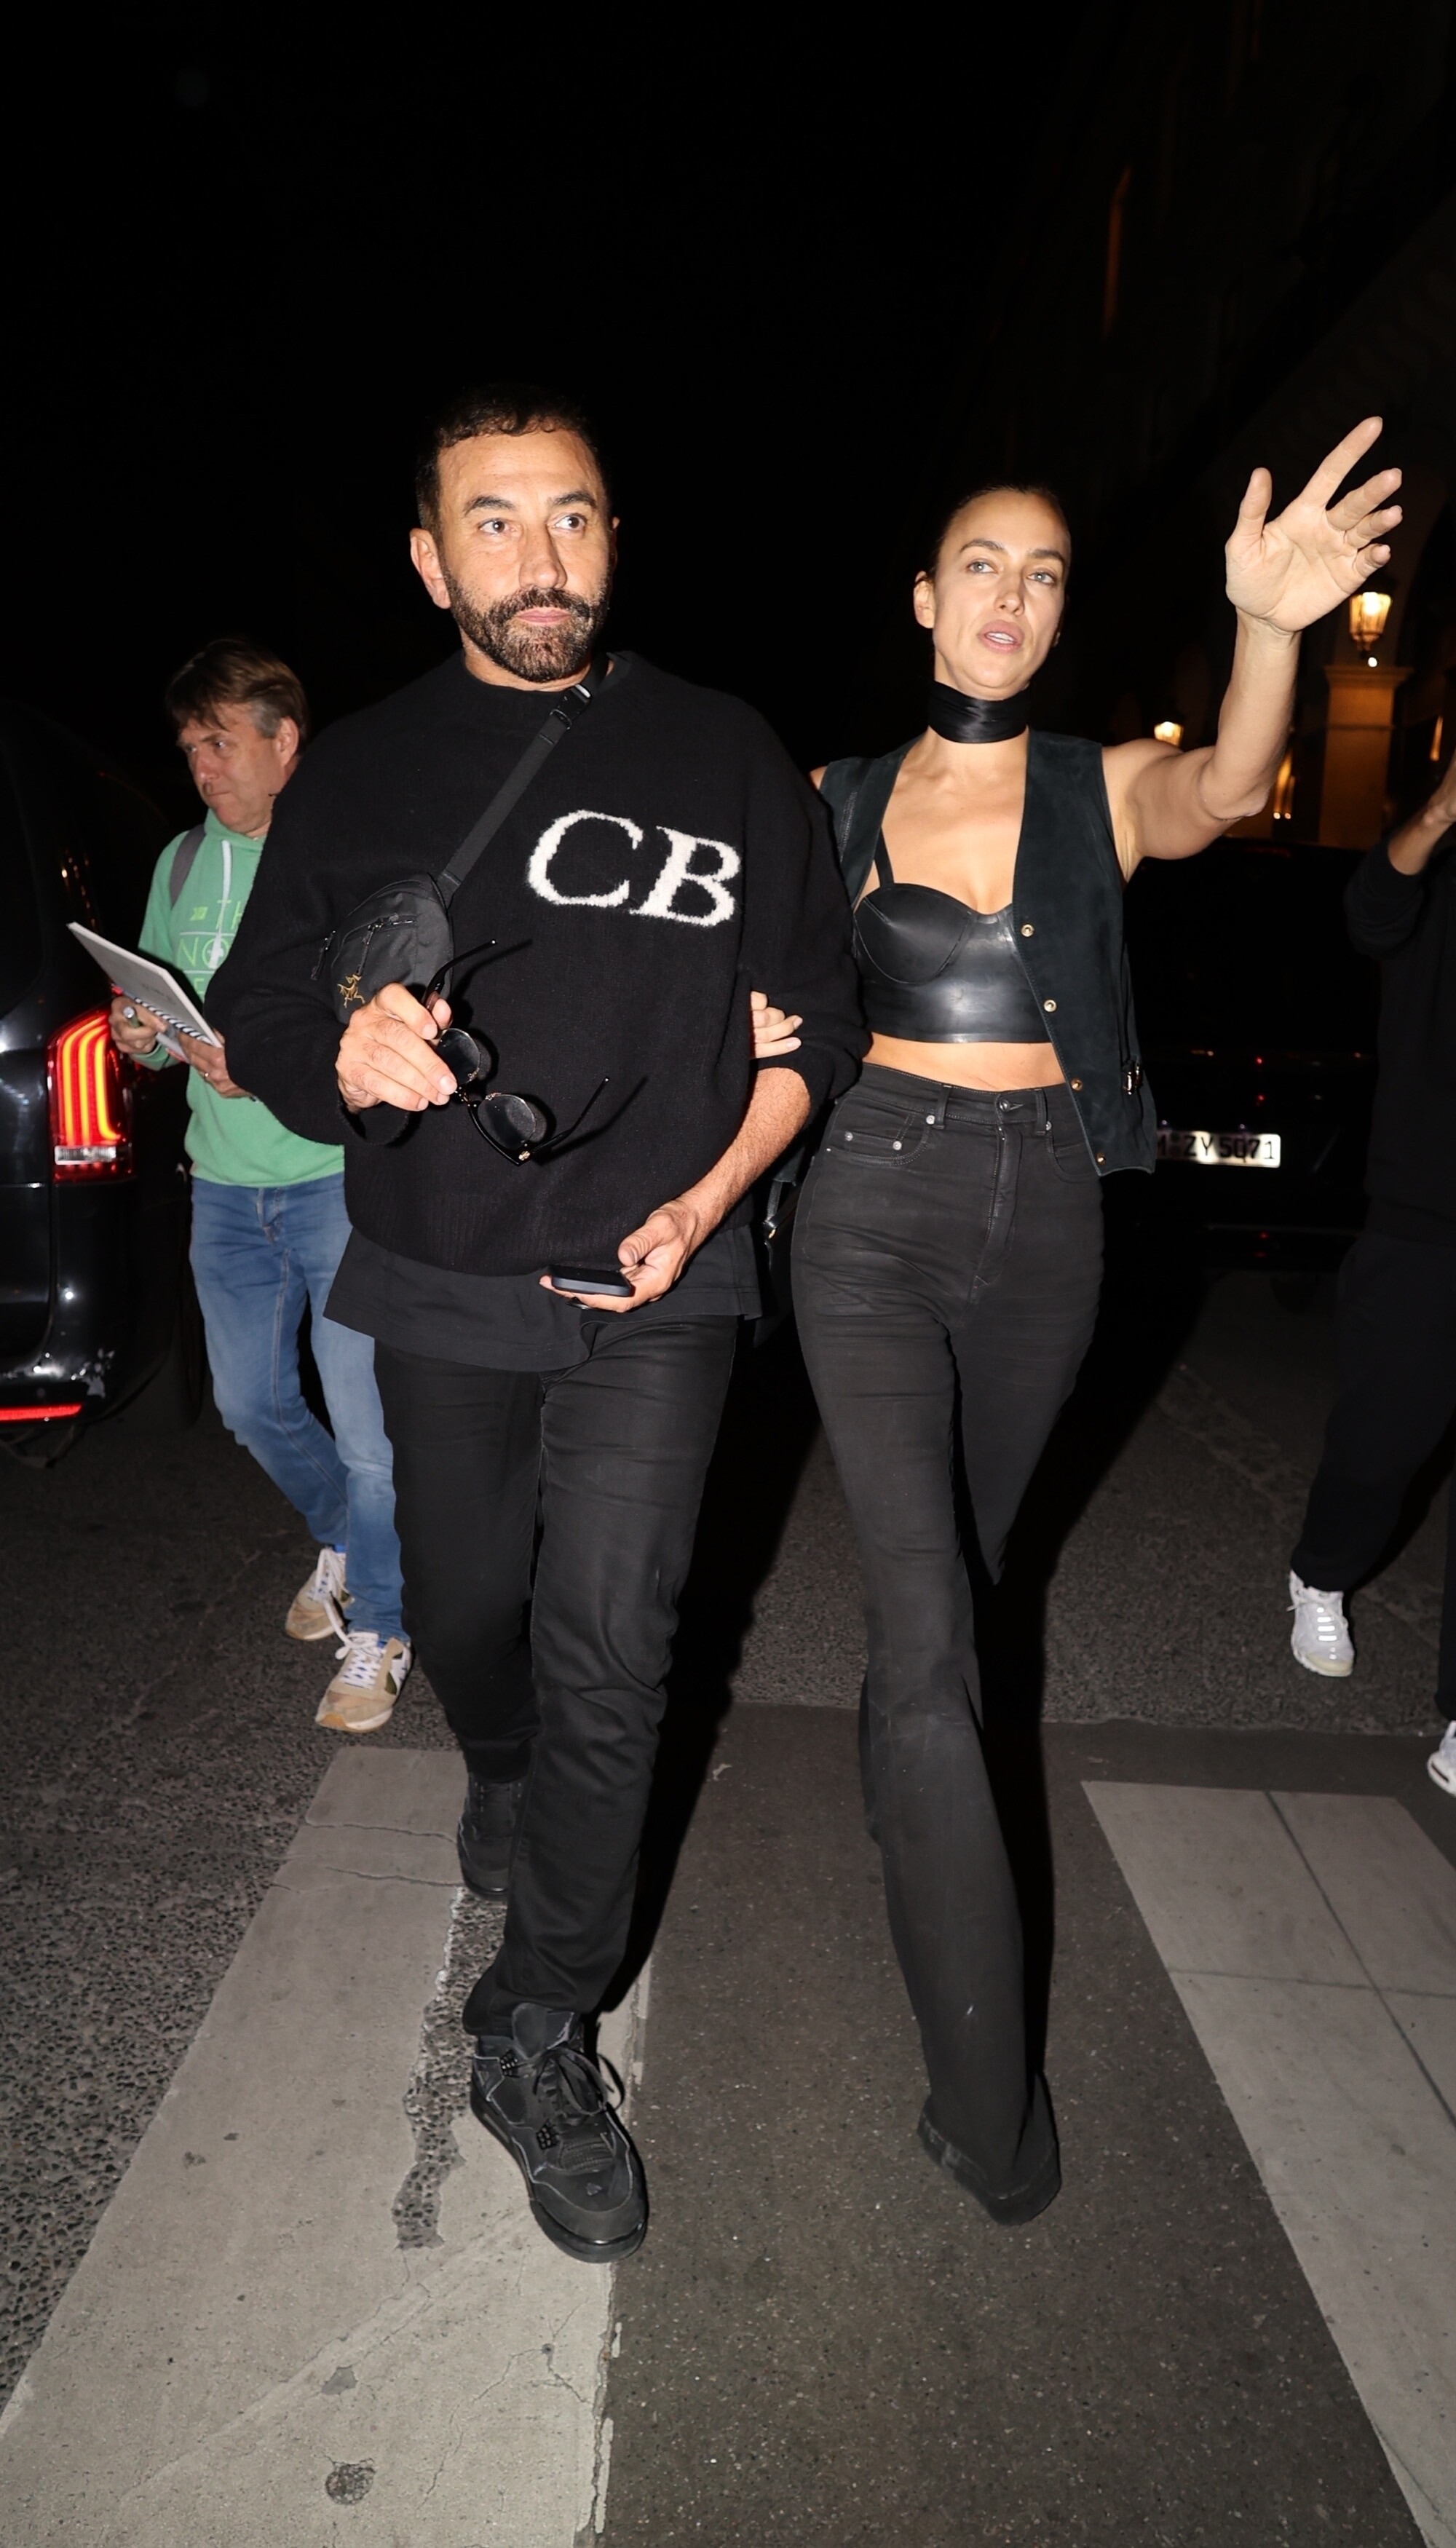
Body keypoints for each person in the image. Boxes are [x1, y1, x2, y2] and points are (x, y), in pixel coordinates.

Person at [207, 384, 862, 2264]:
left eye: (568, 515)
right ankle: (494, 1762)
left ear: (613, 538)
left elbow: (813, 1020)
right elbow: (259, 1006)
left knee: (615, 1646)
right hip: (440, 1267)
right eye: (491, 523)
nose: (538, 555)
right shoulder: (362, 769)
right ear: (430, 562)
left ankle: (536, 2023)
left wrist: (706, 1201)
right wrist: (339, 1049)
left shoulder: (727, 749)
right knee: (473, 1610)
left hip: (662, 1273)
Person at [791, 419, 1403, 2225]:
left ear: (1059, 619)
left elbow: (1228, 785)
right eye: (980, 565)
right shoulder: (831, 797)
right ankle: (989, 2110)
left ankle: (904, 1785)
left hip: (1050, 1216)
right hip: (869, 1209)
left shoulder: (1098, 785)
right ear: (923, 599)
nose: (1011, 594)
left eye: (1042, 575)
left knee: (967, 1579)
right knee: (928, 1637)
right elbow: (734, 981)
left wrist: (1268, 625)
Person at [109, 640, 411, 1731]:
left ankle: (385, 1623)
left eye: (221, 743)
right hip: (225, 1186)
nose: (202, 767)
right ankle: (349, 1541)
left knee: (370, 1431)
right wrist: (139, 1032)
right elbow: (151, 1018)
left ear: (287, 745)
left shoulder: (347, 857)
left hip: (334, 1178)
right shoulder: (180, 864)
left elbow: (391, 1013)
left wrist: (278, 1060)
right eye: (189, 747)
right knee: (250, 1406)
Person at [1287, 684, 1456, 1842]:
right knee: (1381, 1446)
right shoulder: (1437, 874)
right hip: (1419, 1225)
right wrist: (1442, 803)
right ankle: (1320, 1569)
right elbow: (1366, 916)